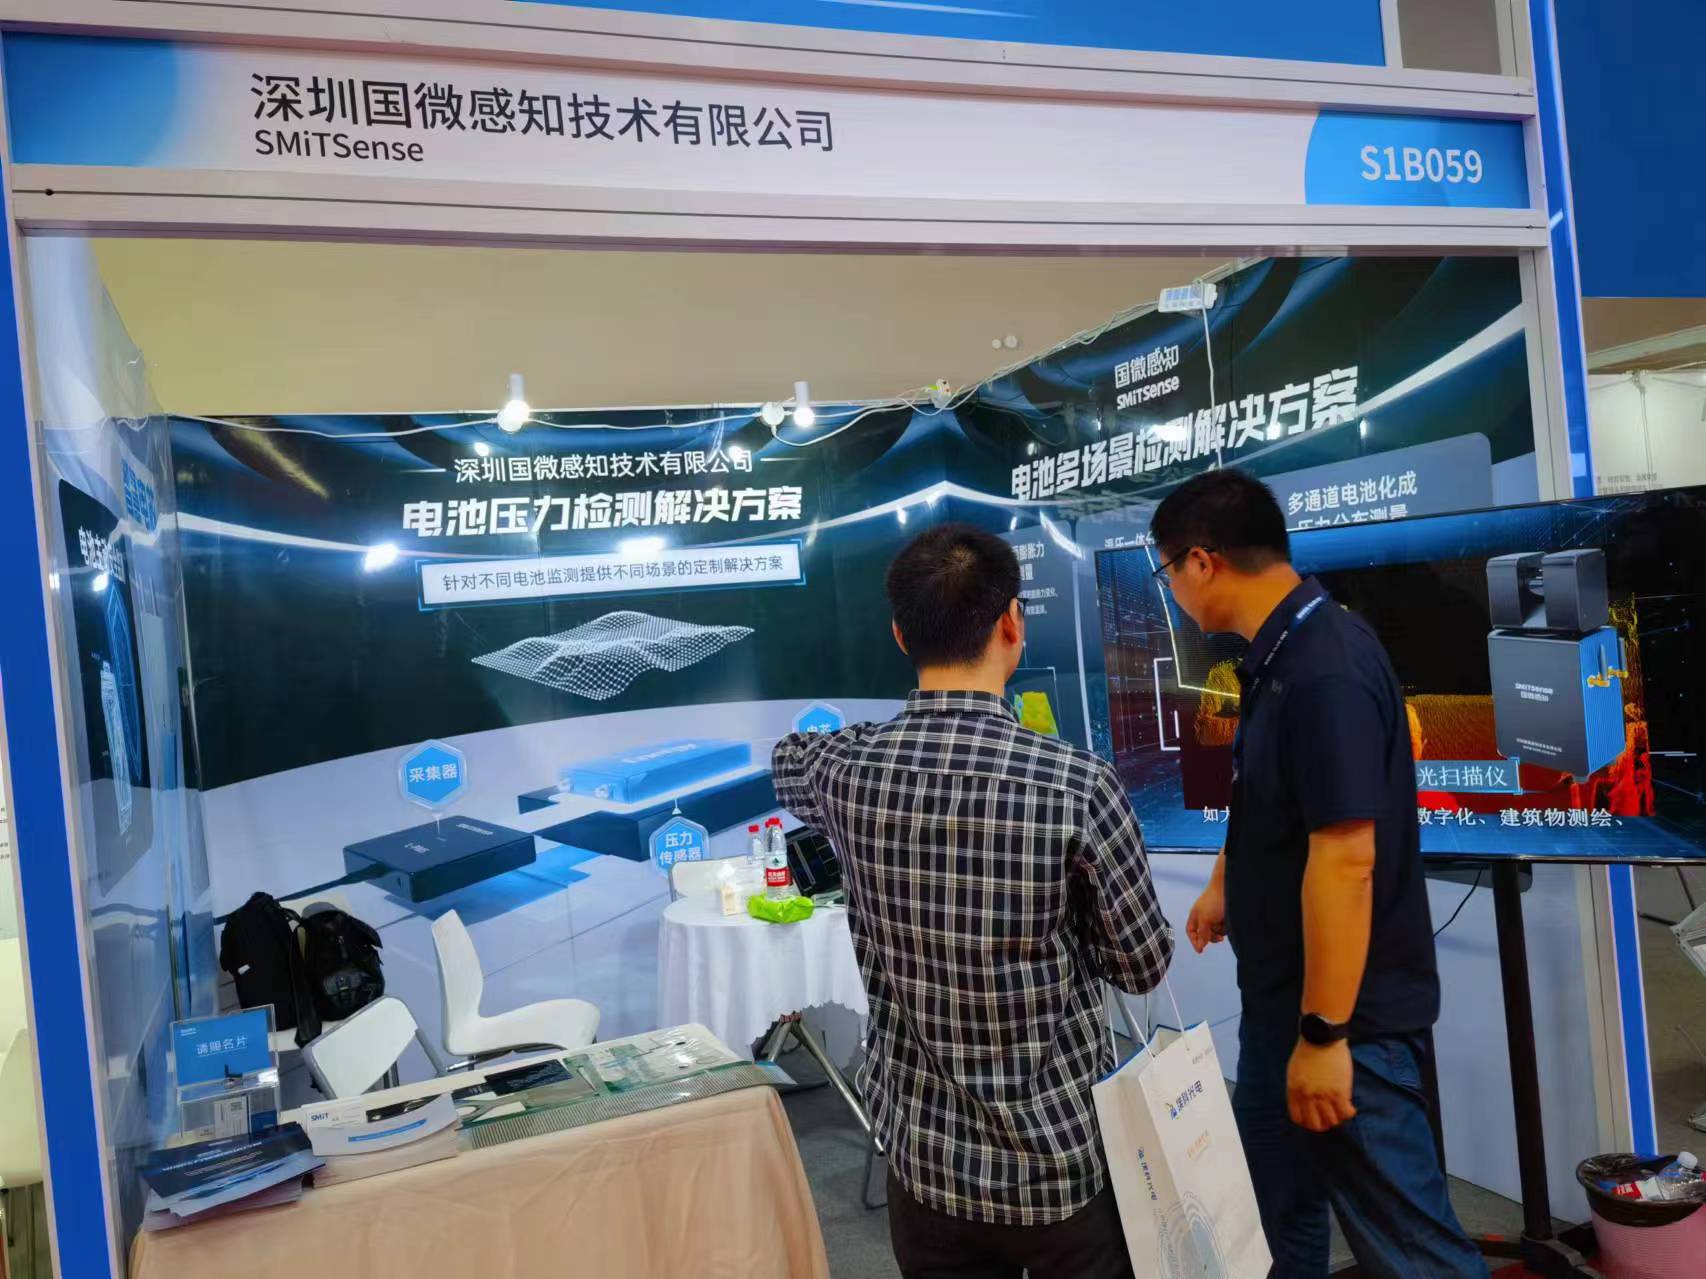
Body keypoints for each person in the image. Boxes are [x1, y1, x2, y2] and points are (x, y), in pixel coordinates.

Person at [773, 523, 1173, 1279]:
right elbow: (1142, 964)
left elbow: (786, 759)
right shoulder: (1078, 784)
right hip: (1057, 1164)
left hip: (924, 1164)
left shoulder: (844, 771)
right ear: (1013, 623)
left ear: (900, 634)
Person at [1154, 469, 1487, 1279]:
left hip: (1345, 1028)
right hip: (1283, 1009)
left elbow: (1346, 859)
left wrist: (1325, 1036)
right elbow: (1272, 796)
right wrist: (1226, 879)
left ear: (1201, 561)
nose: (1171, 591)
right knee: (1272, 1217)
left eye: (1167, 570)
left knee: (1414, 1250)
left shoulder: (1323, 666)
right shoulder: (1278, 653)